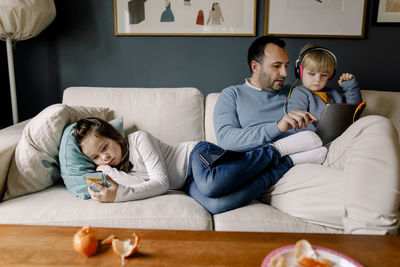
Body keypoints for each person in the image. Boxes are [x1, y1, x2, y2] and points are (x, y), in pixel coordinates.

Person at [214, 35, 400, 234]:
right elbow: (227, 139)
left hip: (326, 149)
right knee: (373, 194)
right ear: (255, 66)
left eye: (286, 65)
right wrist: (278, 126)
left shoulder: (298, 89)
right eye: (276, 66)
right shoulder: (232, 94)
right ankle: (376, 250)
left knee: (377, 124)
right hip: (284, 166)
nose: (284, 73)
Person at [74, 117, 327, 214]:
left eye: (105, 148)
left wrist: (118, 195)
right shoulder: (113, 170)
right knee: (217, 204)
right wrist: (106, 172)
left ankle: (275, 150)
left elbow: (160, 184)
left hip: (196, 156)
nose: (104, 158)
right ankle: (288, 163)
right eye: (96, 157)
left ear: (115, 137)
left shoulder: (139, 139)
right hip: (186, 183)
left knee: (212, 182)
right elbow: (125, 188)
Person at [286, 43, 363, 131]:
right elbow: (298, 121)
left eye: (324, 75)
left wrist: (350, 86)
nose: (318, 79)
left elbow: (354, 112)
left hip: (337, 135)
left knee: (373, 121)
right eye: (312, 74)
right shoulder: (300, 93)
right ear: (300, 72)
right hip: (312, 136)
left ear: (330, 75)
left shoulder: (334, 94)